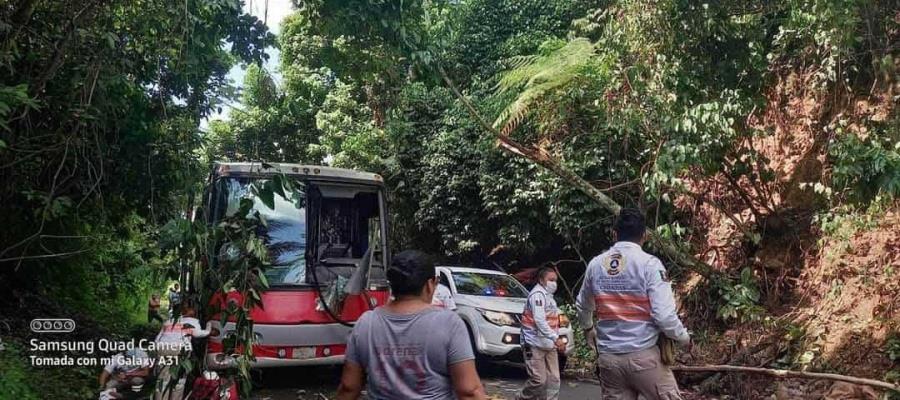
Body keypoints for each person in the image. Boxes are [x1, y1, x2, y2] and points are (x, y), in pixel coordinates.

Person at [336, 250, 487, 400]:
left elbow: (348, 388)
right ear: (429, 284)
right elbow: (469, 392)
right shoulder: (449, 324)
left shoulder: (366, 323)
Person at [576, 208, 691, 400]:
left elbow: (582, 305)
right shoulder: (650, 265)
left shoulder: (595, 265)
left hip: (609, 360)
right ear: (644, 235)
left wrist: (588, 329)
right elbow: (663, 315)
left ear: (614, 234)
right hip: (643, 358)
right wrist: (683, 337)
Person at [517, 266, 564, 400]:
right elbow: (539, 320)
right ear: (541, 280)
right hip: (533, 342)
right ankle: (521, 398)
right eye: (551, 280)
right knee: (539, 380)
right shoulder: (537, 295)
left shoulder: (549, 297)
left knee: (554, 380)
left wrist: (554, 339)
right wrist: (556, 338)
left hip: (549, 344)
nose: (554, 283)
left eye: (555, 280)